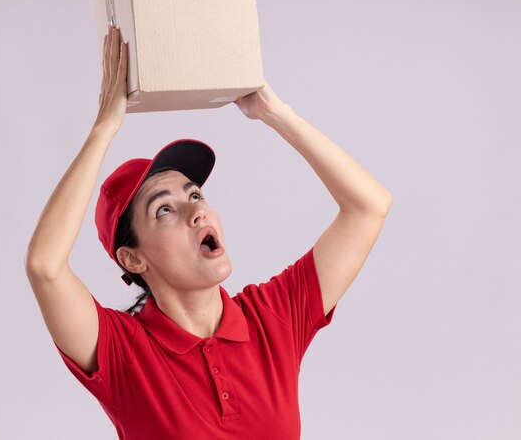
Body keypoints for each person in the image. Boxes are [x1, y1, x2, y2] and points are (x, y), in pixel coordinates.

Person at [25, 25, 393, 439]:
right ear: (132, 258)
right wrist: (105, 127)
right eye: (164, 209)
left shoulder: (274, 317)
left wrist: (274, 113)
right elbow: (45, 267)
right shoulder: (122, 353)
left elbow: (368, 208)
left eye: (195, 194)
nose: (195, 212)